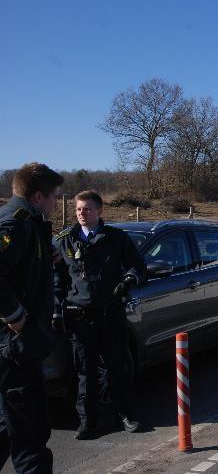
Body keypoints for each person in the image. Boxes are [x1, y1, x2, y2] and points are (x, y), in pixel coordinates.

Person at [53, 190, 146, 440]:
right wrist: (57, 309)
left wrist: (128, 280)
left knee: (116, 368)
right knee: (85, 372)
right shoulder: (64, 241)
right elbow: (56, 278)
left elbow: (139, 266)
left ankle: (125, 415)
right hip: (79, 317)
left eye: (87, 209)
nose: (82, 214)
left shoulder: (116, 238)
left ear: (100, 211)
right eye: (78, 210)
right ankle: (88, 421)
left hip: (110, 313)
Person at [0, 162, 62, 474]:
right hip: (16, 346)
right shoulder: (16, 224)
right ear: (38, 197)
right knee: (31, 437)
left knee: (8, 428)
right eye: (54, 197)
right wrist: (16, 318)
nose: (57, 203)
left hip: (22, 345)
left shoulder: (30, 225)